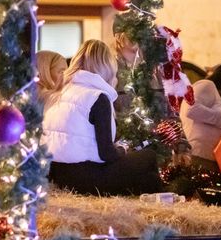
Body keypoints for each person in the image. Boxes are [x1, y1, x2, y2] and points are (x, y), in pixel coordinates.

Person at [42, 39, 163, 196]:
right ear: (107, 67)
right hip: (85, 177)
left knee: (149, 179)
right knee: (149, 156)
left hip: (56, 174)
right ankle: (163, 208)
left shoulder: (61, 91)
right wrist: (122, 150)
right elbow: (106, 154)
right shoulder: (97, 97)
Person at [179, 79, 221, 170]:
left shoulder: (211, 93)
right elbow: (192, 110)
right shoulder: (207, 85)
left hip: (207, 157)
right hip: (199, 156)